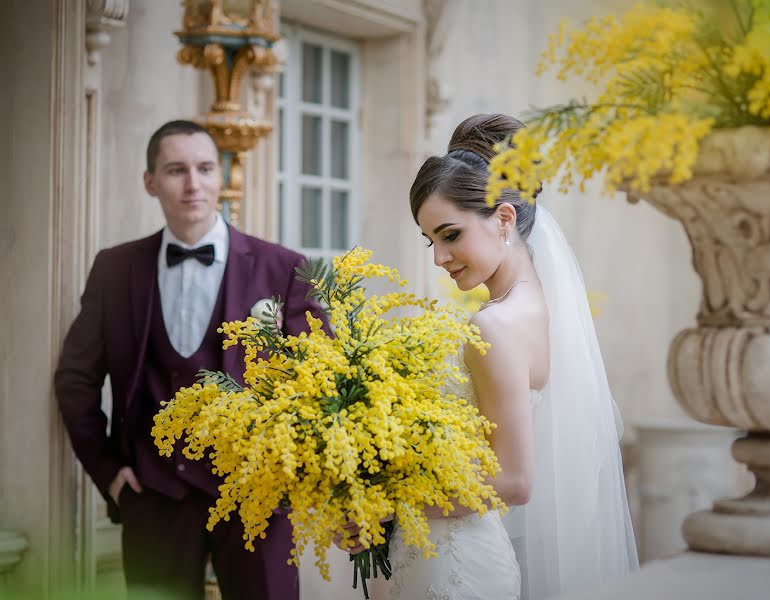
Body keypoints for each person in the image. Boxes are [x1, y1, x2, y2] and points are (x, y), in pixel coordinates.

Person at [55, 120, 327, 600]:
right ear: (150, 181)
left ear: (220, 177)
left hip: (255, 498)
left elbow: (322, 377)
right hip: (153, 498)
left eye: (204, 168)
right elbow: (75, 379)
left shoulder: (282, 268)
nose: (193, 184)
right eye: (176, 170)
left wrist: (296, 473)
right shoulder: (116, 269)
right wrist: (109, 474)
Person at [375, 114, 639, 599]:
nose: (438, 256)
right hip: (447, 552)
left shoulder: (494, 325)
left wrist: (385, 501)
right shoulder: (537, 306)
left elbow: (513, 481)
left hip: (454, 566)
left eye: (450, 235)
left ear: (503, 218)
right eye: (430, 240)